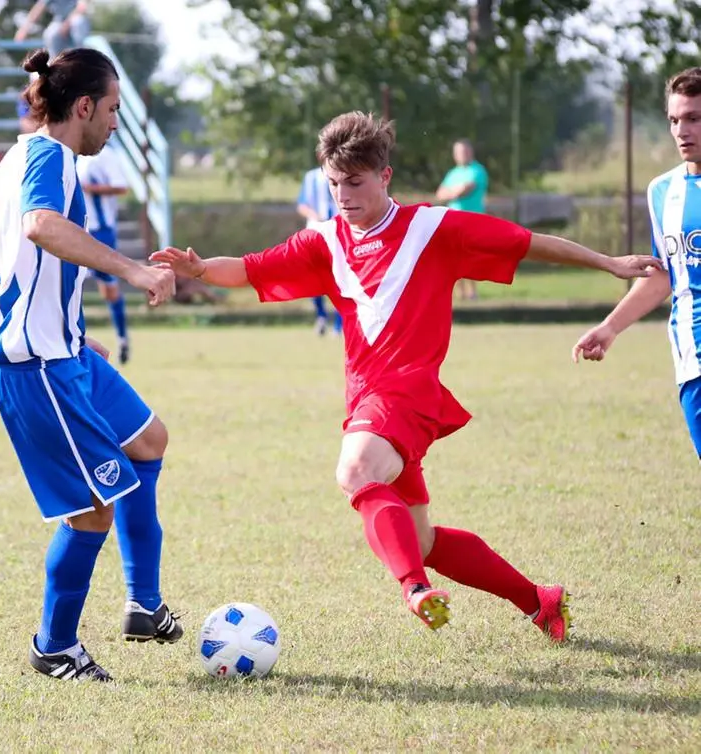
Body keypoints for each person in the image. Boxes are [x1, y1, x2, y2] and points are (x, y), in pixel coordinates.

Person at [152, 111, 662, 641]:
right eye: (333, 184)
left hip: (410, 392)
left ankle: (415, 590)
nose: (343, 196)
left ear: (384, 176)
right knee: (420, 539)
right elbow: (253, 267)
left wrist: (607, 263)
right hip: (368, 400)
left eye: (355, 182)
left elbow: (526, 242)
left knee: (355, 471)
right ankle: (539, 600)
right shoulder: (324, 243)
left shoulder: (432, 228)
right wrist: (201, 269)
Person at [0, 46, 180, 682]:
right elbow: (40, 228)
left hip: (60, 348)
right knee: (94, 505)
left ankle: (144, 606)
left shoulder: (14, 157)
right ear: (84, 106)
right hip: (35, 365)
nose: (117, 122)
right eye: (113, 109)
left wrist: (68, 328)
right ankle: (54, 645)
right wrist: (133, 268)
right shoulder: (50, 158)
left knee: (149, 440)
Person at [573, 67, 701, 461]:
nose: (682, 130)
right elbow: (664, 276)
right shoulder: (662, 191)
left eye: (694, 118)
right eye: (674, 120)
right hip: (692, 358)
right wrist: (610, 327)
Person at [76, 140, 132, 363]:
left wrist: (90, 189)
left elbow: (122, 186)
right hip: (76, 231)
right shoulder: (73, 155)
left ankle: (122, 339)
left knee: (109, 291)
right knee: (71, 287)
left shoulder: (105, 155)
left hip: (101, 231)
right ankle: (72, 344)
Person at [436, 139, 490, 302]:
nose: (462, 155)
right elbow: (440, 193)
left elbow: (465, 189)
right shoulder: (453, 173)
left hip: (472, 220)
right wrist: (454, 191)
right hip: (453, 221)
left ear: (470, 152)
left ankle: (473, 292)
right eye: (458, 152)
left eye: (464, 151)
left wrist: (452, 192)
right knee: (453, 258)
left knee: (469, 257)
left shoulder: (477, 170)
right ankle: (460, 293)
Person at [297, 166, 342, 336]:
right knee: (313, 278)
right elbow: (302, 205)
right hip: (316, 234)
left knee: (340, 279)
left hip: (339, 233)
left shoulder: (344, 172)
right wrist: (315, 217)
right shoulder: (311, 177)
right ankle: (321, 316)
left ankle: (339, 324)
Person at [14, 1, 91, 59]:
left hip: (75, 18)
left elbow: (82, 6)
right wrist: (24, 29)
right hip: (59, 21)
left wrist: (67, 23)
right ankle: (55, 64)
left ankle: (82, 58)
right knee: (50, 33)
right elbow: (39, 8)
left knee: (78, 22)